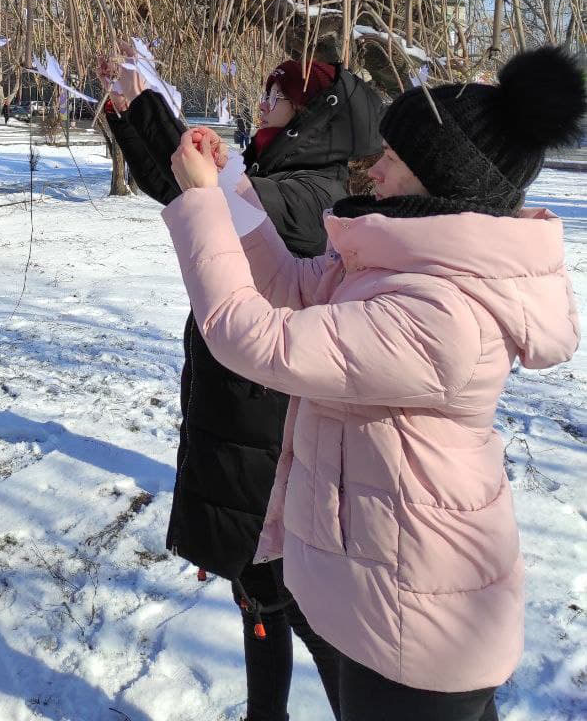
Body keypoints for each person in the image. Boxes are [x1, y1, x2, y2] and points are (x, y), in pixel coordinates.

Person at [163, 46, 585, 721]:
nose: (374, 168)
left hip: (421, 626)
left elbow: (258, 340)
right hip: (391, 588)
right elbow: (290, 286)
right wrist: (231, 185)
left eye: (393, 157)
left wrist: (200, 204)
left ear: (441, 179)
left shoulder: (444, 312)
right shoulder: (400, 267)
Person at [103, 54, 383, 721]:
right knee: (260, 596)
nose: (262, 105)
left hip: (267, 426)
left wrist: (156, 114)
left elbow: (213, 205)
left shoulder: (310, 192)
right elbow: (181, 191)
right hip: (243, 410)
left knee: (292, 602)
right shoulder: (278, 176)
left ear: (312, 118)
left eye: (277, 98)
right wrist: (132, 117)